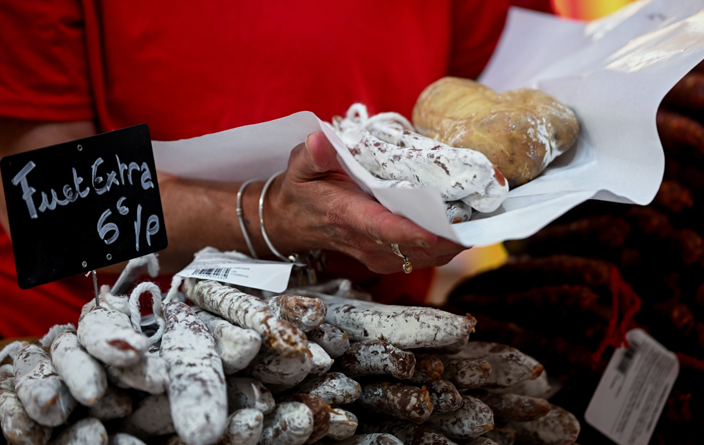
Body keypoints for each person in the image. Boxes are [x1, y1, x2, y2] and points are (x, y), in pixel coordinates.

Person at [0, 1, 552, 337]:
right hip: (96, 351)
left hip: (367, 351)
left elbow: (534, 121)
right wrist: (271, 215)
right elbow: (44, 206)